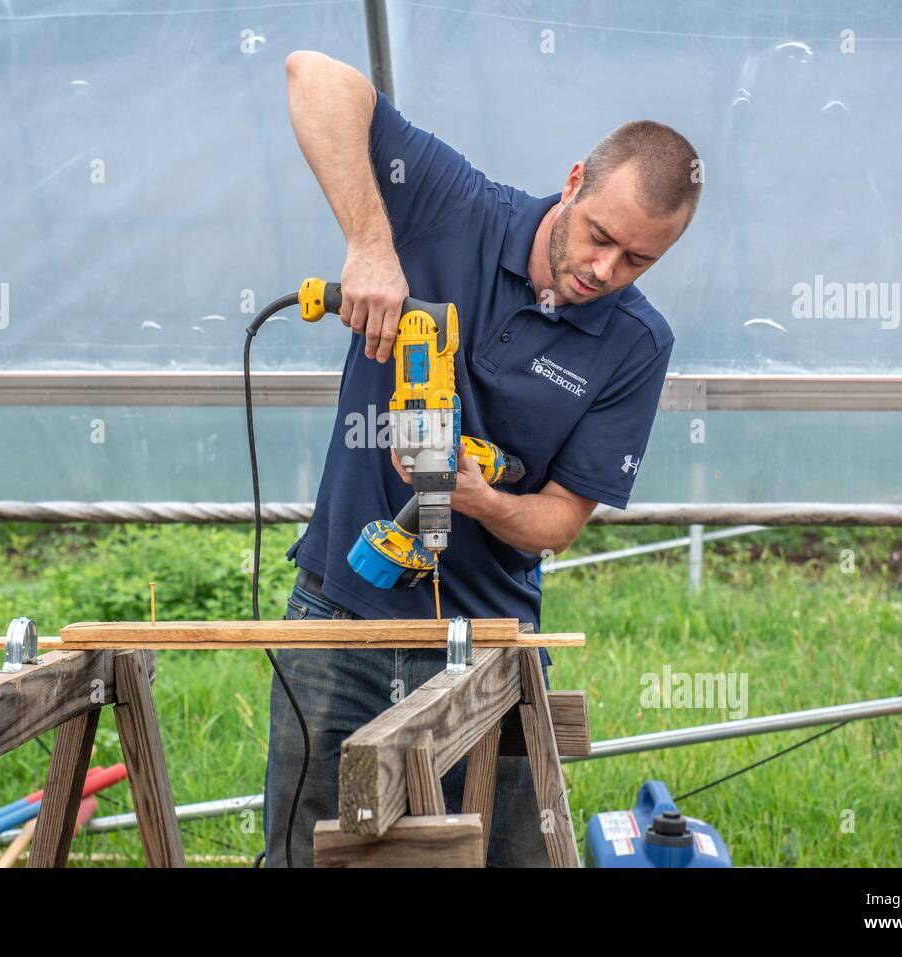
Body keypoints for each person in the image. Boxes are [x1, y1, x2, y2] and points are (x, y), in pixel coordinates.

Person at [264, 49, 701, 867]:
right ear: (573, 181)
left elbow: (558, 521)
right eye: (600, 236)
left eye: (637, 260)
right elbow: (311, 75)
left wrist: (476, 496)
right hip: (338, 617)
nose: (603, 270)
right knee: (308, 852)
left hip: (485, 640)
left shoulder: (636, 343)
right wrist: (370, 246)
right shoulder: (450, 206)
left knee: (499, 857)